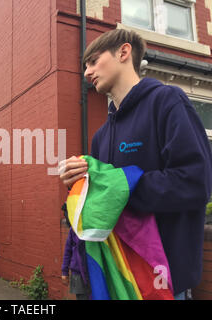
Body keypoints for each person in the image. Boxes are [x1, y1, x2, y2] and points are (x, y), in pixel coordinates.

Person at [59, 29, 212, 300]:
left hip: (164, 281)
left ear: (123, 52)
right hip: (119, 279)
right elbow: (104, 205)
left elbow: (195, 182)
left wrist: (117, 185)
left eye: (93, 61)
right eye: (85, 66)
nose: (86, 72)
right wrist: (82, 186)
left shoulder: (167, 102)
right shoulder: (101, 136)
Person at [61, 225, 90, 300]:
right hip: (77, 273)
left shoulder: (96, 228)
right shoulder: (74, 228)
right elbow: (68, 250)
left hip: (93, 272)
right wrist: (64, 271)